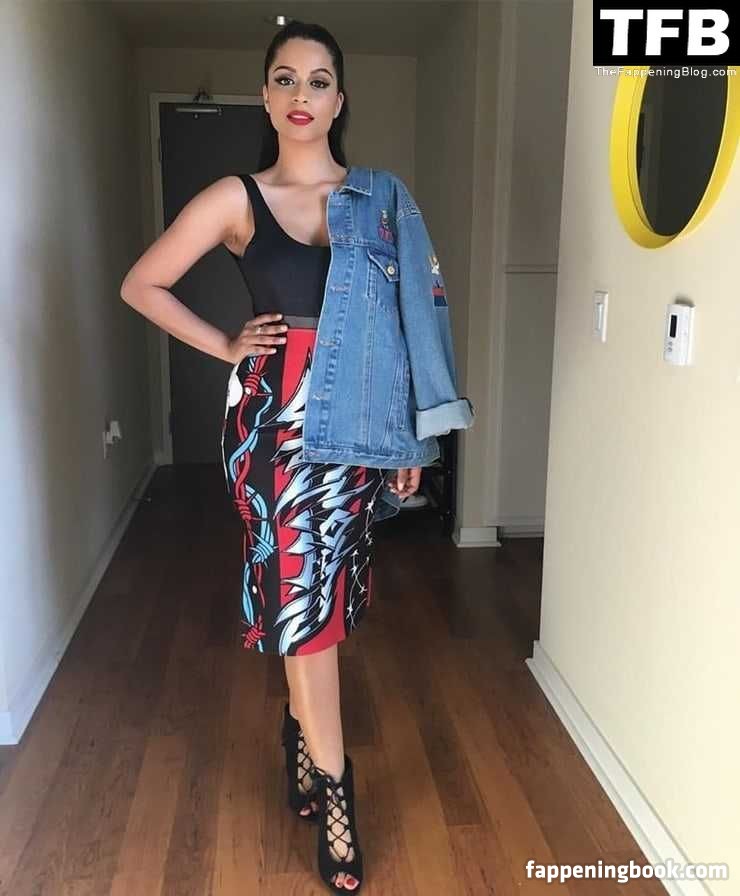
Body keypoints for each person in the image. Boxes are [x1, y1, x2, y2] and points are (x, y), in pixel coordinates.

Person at [121, 19, 473, 894]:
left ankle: (298, 734)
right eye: (285, 78)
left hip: (358, 424)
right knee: (305, 605)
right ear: (266, 96)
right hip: (273, 427)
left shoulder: (379, 199)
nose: (302, 95)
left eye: (318, 81)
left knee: (327, 593)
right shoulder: (237, 198)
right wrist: (226, 344)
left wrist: (412, 439)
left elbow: (409, 325)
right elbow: (142, 283)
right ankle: (339, 790)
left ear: (339, 99)